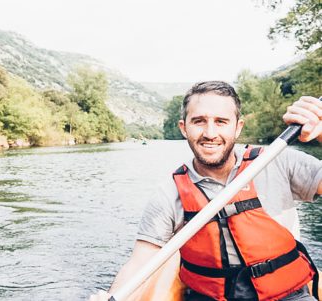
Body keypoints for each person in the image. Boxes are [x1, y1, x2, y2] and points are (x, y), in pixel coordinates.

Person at [89, 81, 322, 301]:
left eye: (221, 121)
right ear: (183, 127)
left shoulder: (279, 161)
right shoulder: (169, 194)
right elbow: (141, 261)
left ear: (238, 127)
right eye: (199, 121)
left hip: (290, 295)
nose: (210, 133)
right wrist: (112, 296)